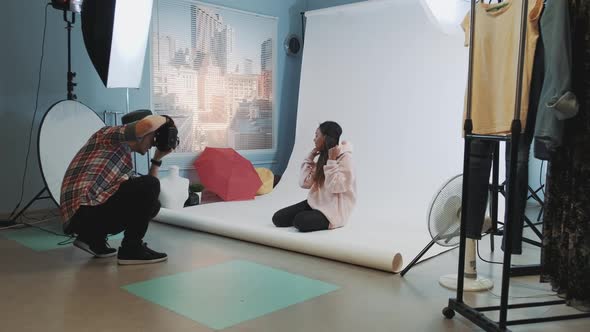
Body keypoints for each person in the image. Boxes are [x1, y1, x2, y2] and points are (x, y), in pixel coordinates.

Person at [60, 111, 175, 265]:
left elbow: (149, 198)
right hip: (82, 211)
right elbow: (147, 124)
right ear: (142, 133)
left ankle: (91, 238)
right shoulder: (107, 135)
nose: (154, 142)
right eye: (153, 136)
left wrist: (157, 159)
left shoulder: (125, 159)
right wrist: (167, 121)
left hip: (84, 215)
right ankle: (131, 249)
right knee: (149, 185)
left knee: (153, 203)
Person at [272, 121, 356, 232]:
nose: (314, 139)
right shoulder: (323, 156)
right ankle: (312, 215)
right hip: (315, 203)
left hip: (335, 211)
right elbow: (305, 183)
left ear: (325, 138)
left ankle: (313, 217)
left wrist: (331, 161)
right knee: (278, 218)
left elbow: (336, 187)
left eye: (317, 135)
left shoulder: (345, 158)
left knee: (300, 221)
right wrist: (309, 158)